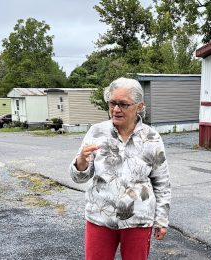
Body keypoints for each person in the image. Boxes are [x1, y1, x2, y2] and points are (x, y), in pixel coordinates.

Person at [69, 77, 171, 260]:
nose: (116, 109)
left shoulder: (152, 138)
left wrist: (161, 219)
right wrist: (81, 162)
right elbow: (79, 178)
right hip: (100, 217)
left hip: (138, 219)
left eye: (123, 104)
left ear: (139, 106)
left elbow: (162, 183)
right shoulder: (96, 132)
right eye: (112, 103)